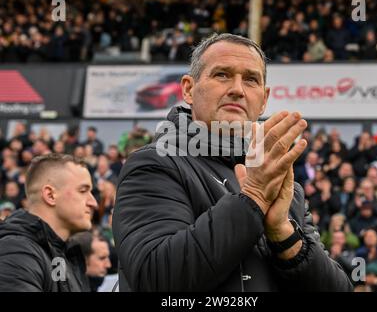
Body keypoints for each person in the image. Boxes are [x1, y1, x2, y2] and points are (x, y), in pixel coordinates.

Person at [112, 33, 352, 292]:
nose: (237, 89)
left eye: (251, 79)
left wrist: (284, 235)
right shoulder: (154, 163)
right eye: (222, 75)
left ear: (264, 100)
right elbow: (156, 278)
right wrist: (253, 198)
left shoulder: (284, 185)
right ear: (189, 89)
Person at [0, 154, 98, 291]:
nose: (93, 203)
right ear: (50, 195)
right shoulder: (17, 252)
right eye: (83, 191)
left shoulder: (68, 255)